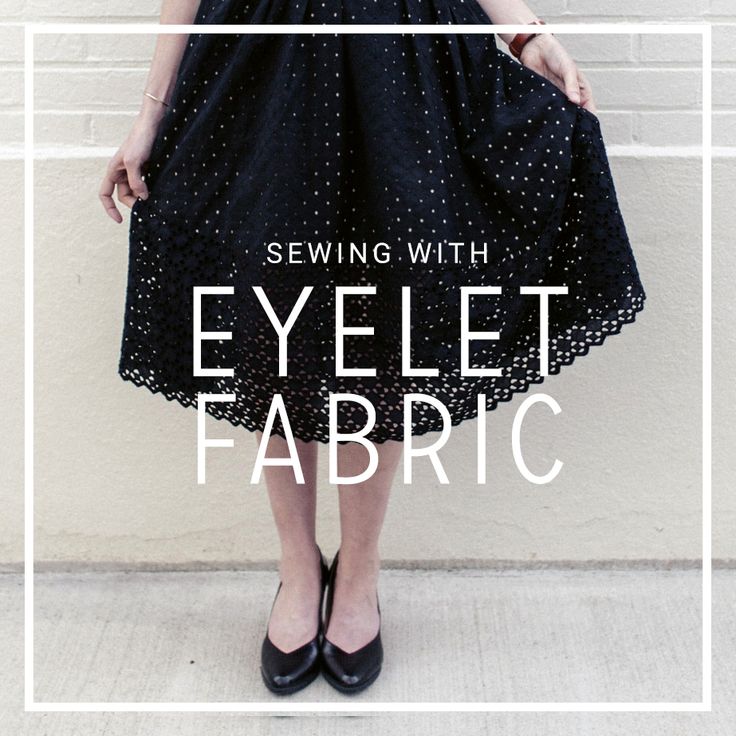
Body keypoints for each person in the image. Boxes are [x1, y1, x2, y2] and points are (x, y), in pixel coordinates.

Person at [99, 0, 646, 696]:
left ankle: (358, 571)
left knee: (386, 331)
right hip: (265, 62)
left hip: (403, 64)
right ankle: (299, 569)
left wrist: (526, 32)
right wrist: (150, 112)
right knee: (274, 333)